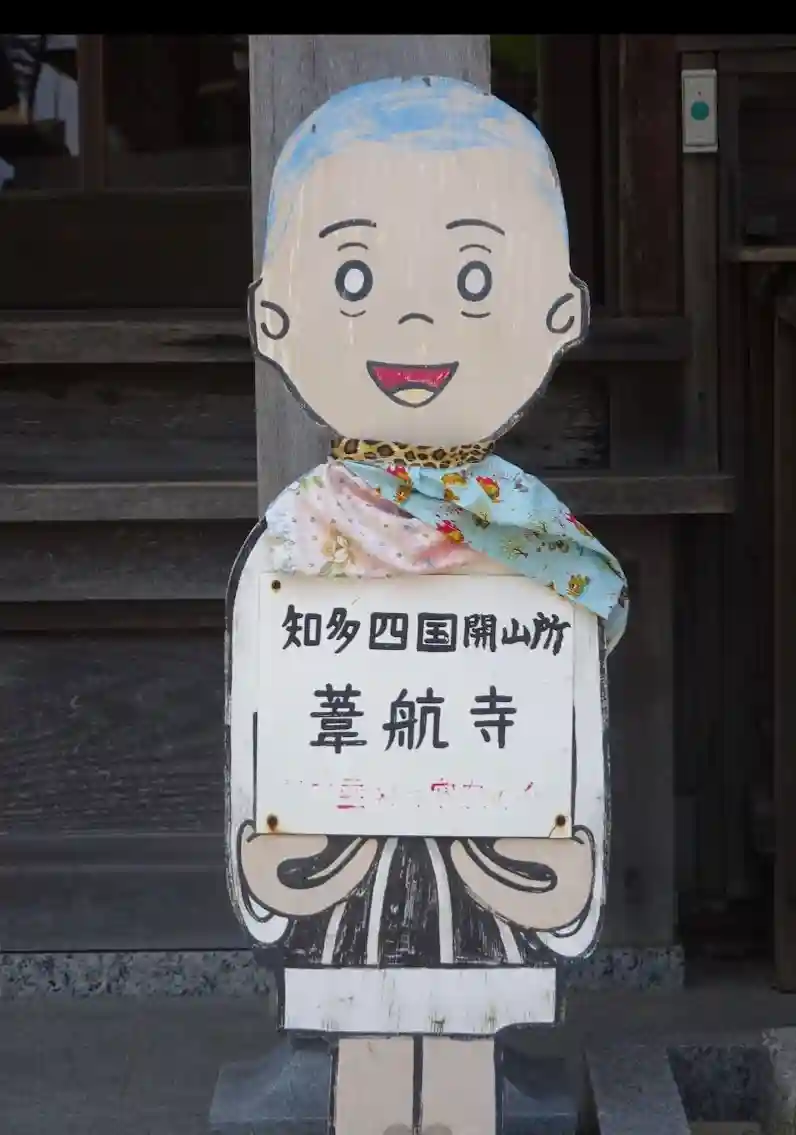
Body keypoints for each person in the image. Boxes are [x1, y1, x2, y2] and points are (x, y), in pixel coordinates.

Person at [227, 76, 628, 1135]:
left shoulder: (540, 548)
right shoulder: (296, 541)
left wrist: (570, 855)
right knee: (365, 1052)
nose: (412, 316)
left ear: (560, 312)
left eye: (474, 276)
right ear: (275, 313)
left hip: (494, 880)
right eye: (355, 275)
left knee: (463, 1056)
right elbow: (264, 728)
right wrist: (263, 848)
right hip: (342, 876)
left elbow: (564, 728)